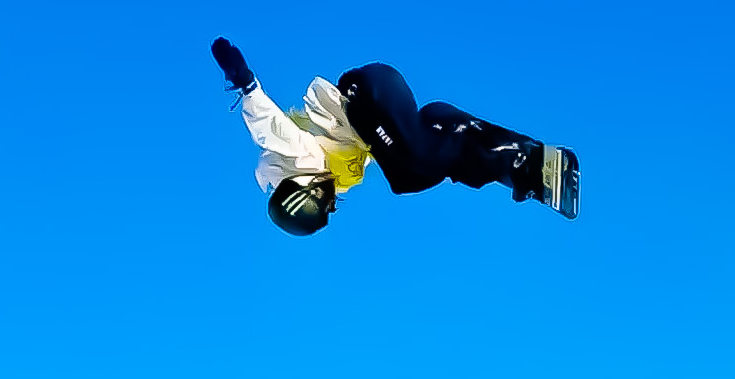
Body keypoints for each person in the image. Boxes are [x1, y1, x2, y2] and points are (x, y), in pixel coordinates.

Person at [209, 38, 579, 236]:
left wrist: (247, 85)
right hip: (380, 105)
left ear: (304, 189)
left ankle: (523, 162)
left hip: (366, 96)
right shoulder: (333, 180)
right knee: (416, 171)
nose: (333, 203)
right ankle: (506, 155)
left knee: (410, 171)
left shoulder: (302, 157)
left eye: (323, 202)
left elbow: (272, 129)